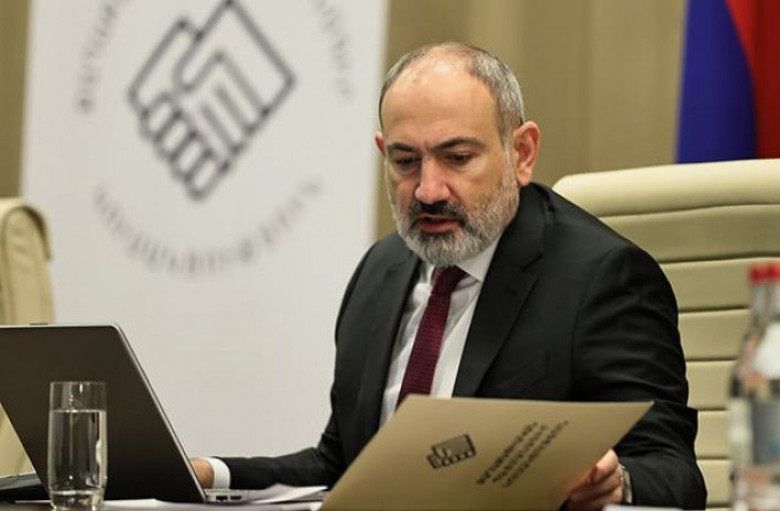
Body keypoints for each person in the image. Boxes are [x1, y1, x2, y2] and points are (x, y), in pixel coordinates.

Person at [192, 42, 707, 510]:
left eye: (457, 158)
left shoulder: (602, 278)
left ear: (521, 153)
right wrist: (209, 474)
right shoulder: (380, 271)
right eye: (405, 161)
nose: (428, 190)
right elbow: (343, 465)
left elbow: (673, 471)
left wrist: (617, 483)